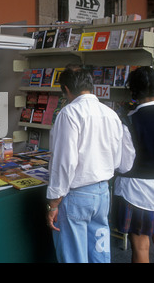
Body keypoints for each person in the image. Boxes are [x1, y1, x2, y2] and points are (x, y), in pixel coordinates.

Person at [46, 65, 123, 263]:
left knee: (73, 255)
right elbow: (117, 158)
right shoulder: (110, 113)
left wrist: (53, 203)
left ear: (66, 89)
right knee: (100, 251)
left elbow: (65, 162)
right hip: (103, 191)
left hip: (77, 195)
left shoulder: (69, 113)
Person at [113, 66, 154, 263]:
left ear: (133, 90)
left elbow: (124, 165)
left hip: (135, 191)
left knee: (140, 246)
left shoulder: (128, 121)